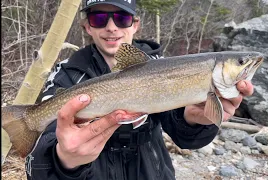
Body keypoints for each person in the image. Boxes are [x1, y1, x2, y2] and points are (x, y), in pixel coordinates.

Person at [26, 0, 254, 179]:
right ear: (87, 26)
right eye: (99, 18)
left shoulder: (165, 67)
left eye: (122, 18)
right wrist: (64, 160)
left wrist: (194, 121)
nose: (111, 27)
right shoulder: (66, 75)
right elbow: (37, 161)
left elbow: (185, 137)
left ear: (135, 24)